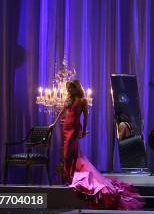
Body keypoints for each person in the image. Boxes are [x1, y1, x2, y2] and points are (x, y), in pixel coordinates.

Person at [50, 79, 143, 210]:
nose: (69, 90)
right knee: (68, 155)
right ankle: (68, 179)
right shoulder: (69, 99)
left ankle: (69, 180)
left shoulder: (82, 100)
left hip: (75, 129)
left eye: (71, 88)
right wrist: (54, 123)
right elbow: (62, 112)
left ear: (76, 88)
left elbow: (86, 116)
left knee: (68, 154)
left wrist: (84, 130)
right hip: (66, 127)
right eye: (68, 88)